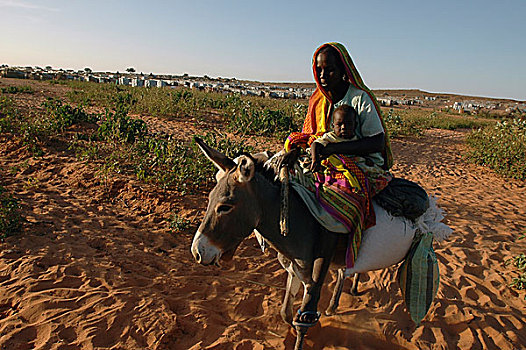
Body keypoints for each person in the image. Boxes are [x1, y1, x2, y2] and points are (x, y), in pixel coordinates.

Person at [283, 42, 393, 269]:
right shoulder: (318, 99)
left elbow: (377, 142)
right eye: (319, 69)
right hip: (325, 158)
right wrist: (295, 151)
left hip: (361, 162)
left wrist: (334, 149)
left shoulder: (360, 99)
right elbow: (309, 135)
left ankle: (337, 251)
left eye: (330, 69)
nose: (323, 75)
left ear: (344, 70)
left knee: (343, 198)